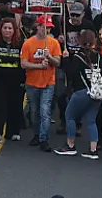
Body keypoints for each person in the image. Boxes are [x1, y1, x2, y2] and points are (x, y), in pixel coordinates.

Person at [54, 29, 102, 159]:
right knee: (91, 120)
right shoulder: (99, 57)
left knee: (70, 115)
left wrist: (66, 59)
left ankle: (70, 146)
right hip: (97, 92)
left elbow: (71, 74)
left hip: (82, 91)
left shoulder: (78, 57)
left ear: (80, 41)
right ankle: (93, 150)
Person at [21, 14, 63, 151]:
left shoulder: (54, 43)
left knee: (45, 111)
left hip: (48, 82)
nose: (47, 31)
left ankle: (44, 139)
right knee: (34, 111)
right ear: (38, 27)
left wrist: (49, 57)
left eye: (49, 28)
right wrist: (39, 66)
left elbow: (57, 62)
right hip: (32, 82)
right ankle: (37, 134)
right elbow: (24, 63)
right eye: (45, 27)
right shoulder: (28, 43)